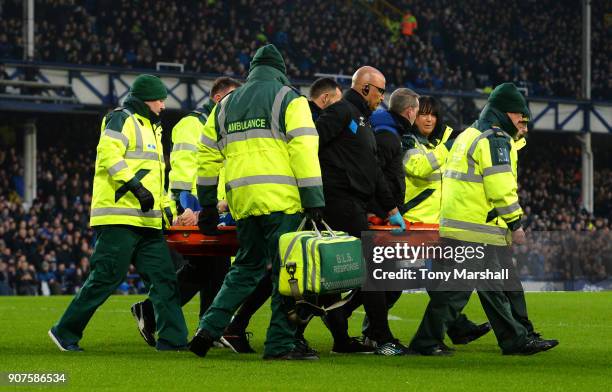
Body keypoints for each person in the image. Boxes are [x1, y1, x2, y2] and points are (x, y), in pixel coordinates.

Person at [189, 44, 325, 360]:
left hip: (243, 202)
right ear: (280, 70)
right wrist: (314, 198)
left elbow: (207, 157)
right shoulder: (289, 99)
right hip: (283, 202)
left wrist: (208, 204)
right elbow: (303, 151)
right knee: (288, 274)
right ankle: (279, 345)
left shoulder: (224, 105)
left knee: (245, 268)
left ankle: (207, 329)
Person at [408, 83, 557, 356]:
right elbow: (500, 186)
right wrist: (515, 223)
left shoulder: (471, 133)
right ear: (505, 113)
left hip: (463, 224)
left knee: (494, 284)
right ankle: (425, 342)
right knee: (456, 290)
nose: (522, 121)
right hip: (475, 227)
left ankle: (515, 339)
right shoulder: (494, 138)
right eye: (519, 116)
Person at [48, 74, 188, 351]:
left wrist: (170, 212)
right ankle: (64, 331)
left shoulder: (153, 127)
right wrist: (136, 188)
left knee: (164, 278)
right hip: (119, 217)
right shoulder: (121, 118)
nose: (163, 104)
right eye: (160, 99)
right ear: (147, 99)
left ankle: (173, 340)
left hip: (147, 221)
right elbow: (108, 155)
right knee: (105, 277)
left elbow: (156, 180)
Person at [219, 76, 343, 355]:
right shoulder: (296, 107)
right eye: (337, 101)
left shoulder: (239, 109)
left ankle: (222, 326)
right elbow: (304, 157)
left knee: (266, 272)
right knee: (295, 275)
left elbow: (217, 155)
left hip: (253, 201)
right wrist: (314, 199)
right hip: (289, 203)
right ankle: (284, 339)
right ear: (324, 99)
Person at [130, 77, 241, 347]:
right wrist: (185, 210)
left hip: (213, 209)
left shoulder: (218, 126)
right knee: (208, 268)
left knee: (212, 268)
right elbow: (182, 171)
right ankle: (195, 322)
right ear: (218, 98)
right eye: (233, 98)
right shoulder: (192, 125)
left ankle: (195, 322)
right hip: (195, 210)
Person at [315, 66, 406, 355]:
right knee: (372, 269)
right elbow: (310, 145)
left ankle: (342, 339)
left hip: (354, 204)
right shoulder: (341, 112)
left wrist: (391, 208)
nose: (382, 96)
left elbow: (375, 170)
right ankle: (382, 337)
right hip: (337, 202)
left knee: (337, 274)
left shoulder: (364, 121)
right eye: (380, 90)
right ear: (365, 88)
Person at [400, 95, 492, 349]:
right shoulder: (408, 141)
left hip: (436, 226)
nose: (429, 118)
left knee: (440, 281)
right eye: (423, 114)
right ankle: (371, 330)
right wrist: (447, 148)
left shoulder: (435, 144)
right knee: (393, 284)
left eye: (433, 114)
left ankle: (458, 327)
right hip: (413, 225)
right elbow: (418, 168)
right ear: (413, 116)